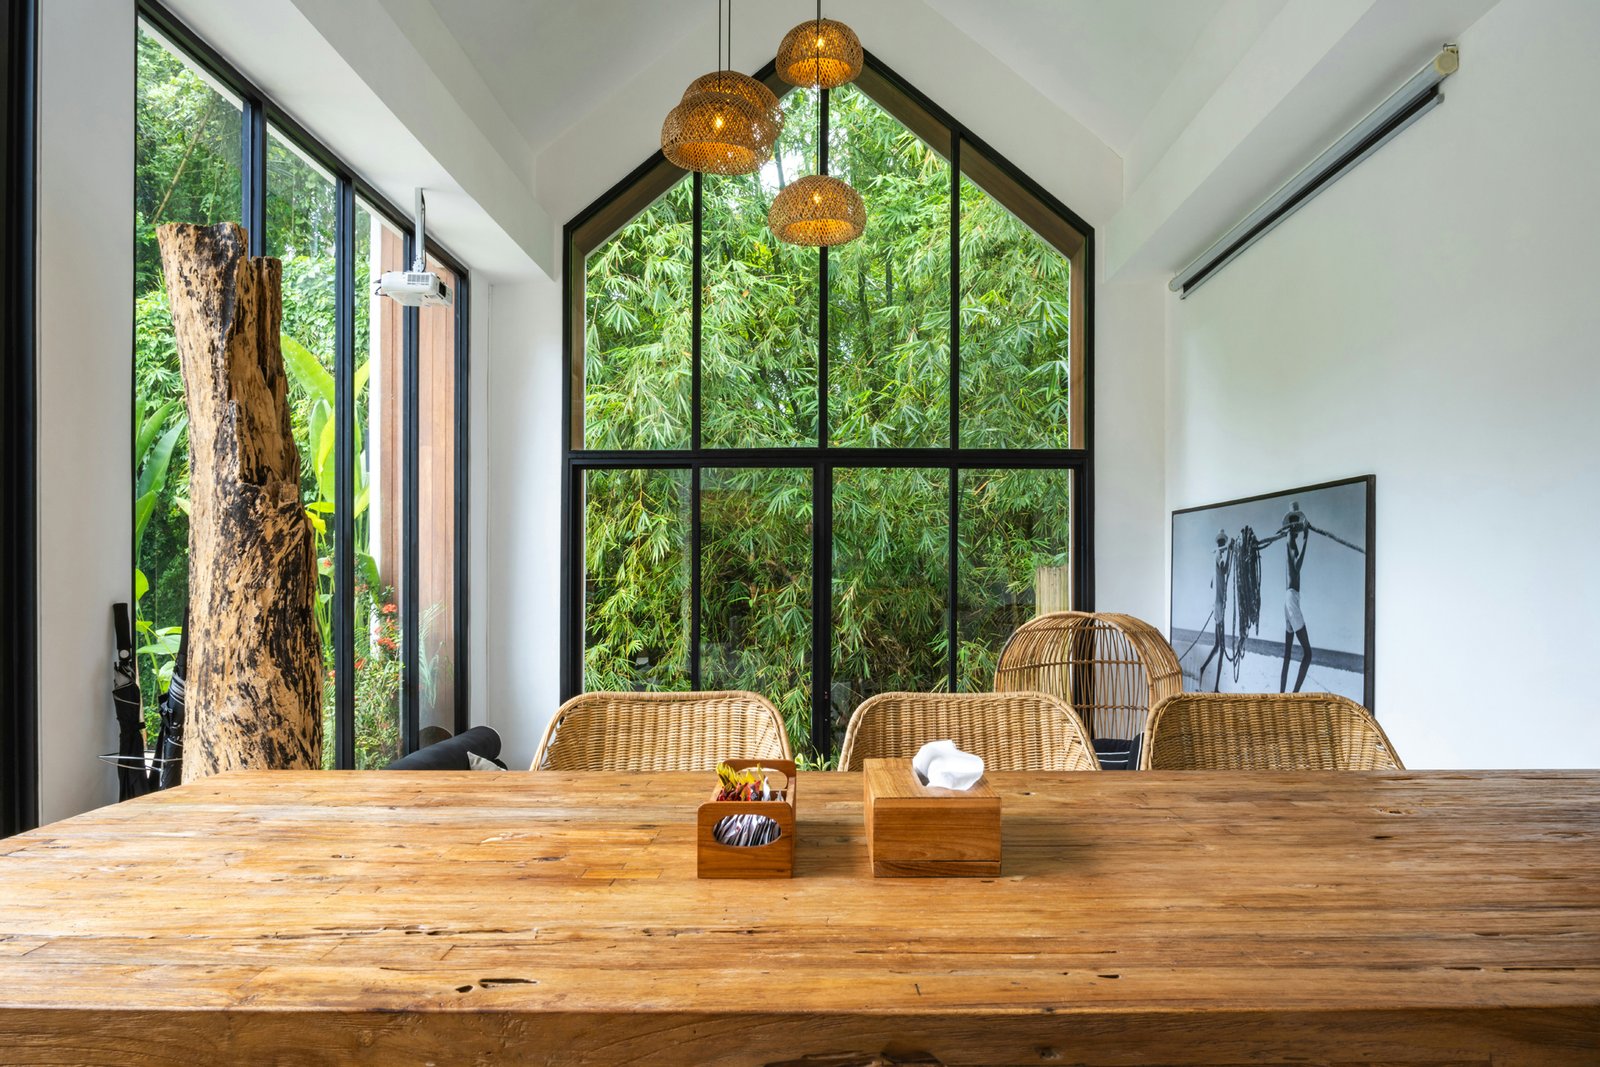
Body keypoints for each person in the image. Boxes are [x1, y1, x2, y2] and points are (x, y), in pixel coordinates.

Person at [1279, 503, 1313, 692]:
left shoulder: (1288, 538)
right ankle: (1294, 695)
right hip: (1292, 599)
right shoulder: (1292, 541)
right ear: (1294, 524)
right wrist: (1307, 539)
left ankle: (1282, 696)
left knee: (1287, 654)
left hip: (1288, 598)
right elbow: (1297, 566)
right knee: (1308, 654)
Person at [1196, 530, 1230, 691]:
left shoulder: (1215, 557)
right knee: (1221, 648)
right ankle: (1216, 687)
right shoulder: (1220, 555)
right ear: (1222, 544)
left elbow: (1212, 582)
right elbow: (1224, 568)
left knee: (1217, 646)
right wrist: (1229, 553)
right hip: (1218, 607)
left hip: (1216, 605)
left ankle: (1202, 669)